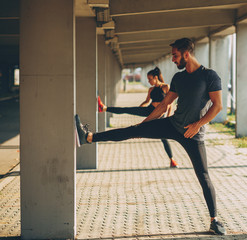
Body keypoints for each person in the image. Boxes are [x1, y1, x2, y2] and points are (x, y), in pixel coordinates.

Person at [75, 38, 226, 235]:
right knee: (132, 129)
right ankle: (88, 137)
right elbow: (164, 106)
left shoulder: (209, 76)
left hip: (193, 133)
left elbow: (217, 106)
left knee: (203, 174)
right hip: (172, 125)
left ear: (186, 54)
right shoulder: (179, 78)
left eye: (175, 55)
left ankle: (214, 220)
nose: (173, 59)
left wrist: (198, 125)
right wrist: (143, 126)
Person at [97, 67, 178, 168]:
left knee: (164, 138)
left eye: (150, 79)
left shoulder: (165, 87)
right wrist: (138, 108)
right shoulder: (151, 89)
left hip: (160, 115)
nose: (148, 81)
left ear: (156, 77)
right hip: (149, 110)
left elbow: (169, 104)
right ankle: (104, 108)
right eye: (147, 79)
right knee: (127, 109)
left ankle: (172, 160)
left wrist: (168, 117)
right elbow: (147, 101)